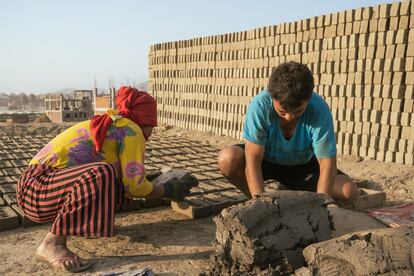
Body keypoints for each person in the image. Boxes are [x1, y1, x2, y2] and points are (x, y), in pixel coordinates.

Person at [17, 86, 197, 273]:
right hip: (38, 191)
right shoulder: (131, 130)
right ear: (145, 120)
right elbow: (135, 188)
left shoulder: (116, 123)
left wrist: (147, 180)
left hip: (35, 189)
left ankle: (86, 225)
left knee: (112, 179)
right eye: (152, 126)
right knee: (102, 173)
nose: (151, 133)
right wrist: (167, 190)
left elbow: (127, 185)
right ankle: (52, 243)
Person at [218, 61, 358, 202]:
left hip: (303, 166)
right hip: (266, 162)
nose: (290, 117)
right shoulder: (260, 106)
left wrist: (318, 205)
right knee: (228, 159)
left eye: (298, 111)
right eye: (282, 112)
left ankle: (291, 192)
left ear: (308, 100)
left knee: (348, 191)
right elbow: (253, 160)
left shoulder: (319, 110)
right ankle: (259, 202)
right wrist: (262, 206)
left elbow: (327, 163)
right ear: (272, 97)